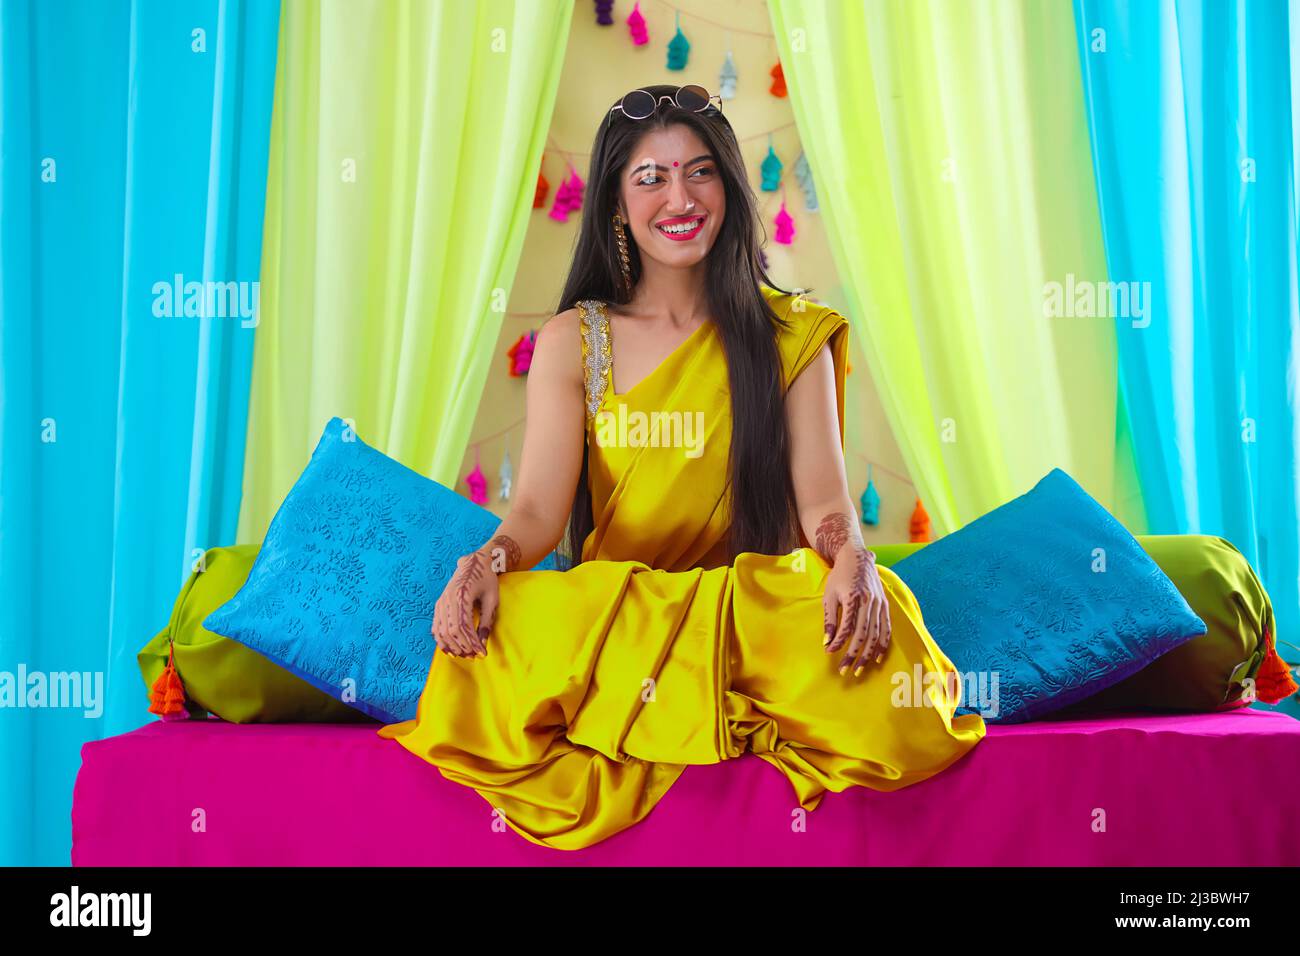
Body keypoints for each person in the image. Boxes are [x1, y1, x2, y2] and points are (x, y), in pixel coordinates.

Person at [377, 83, 985, 850]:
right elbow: (534, 511)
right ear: (615, 205)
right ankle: (690, 701)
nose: (679, 197)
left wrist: (854, 558)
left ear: (728, 186)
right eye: (650, 178)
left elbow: (824, 502)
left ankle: (713, 696)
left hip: (749, 614)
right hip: (614, 617)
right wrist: (484, 562)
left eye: (699, 172)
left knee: (887, 638)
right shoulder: (575, 340)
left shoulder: (790, 334)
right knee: (507, 631)